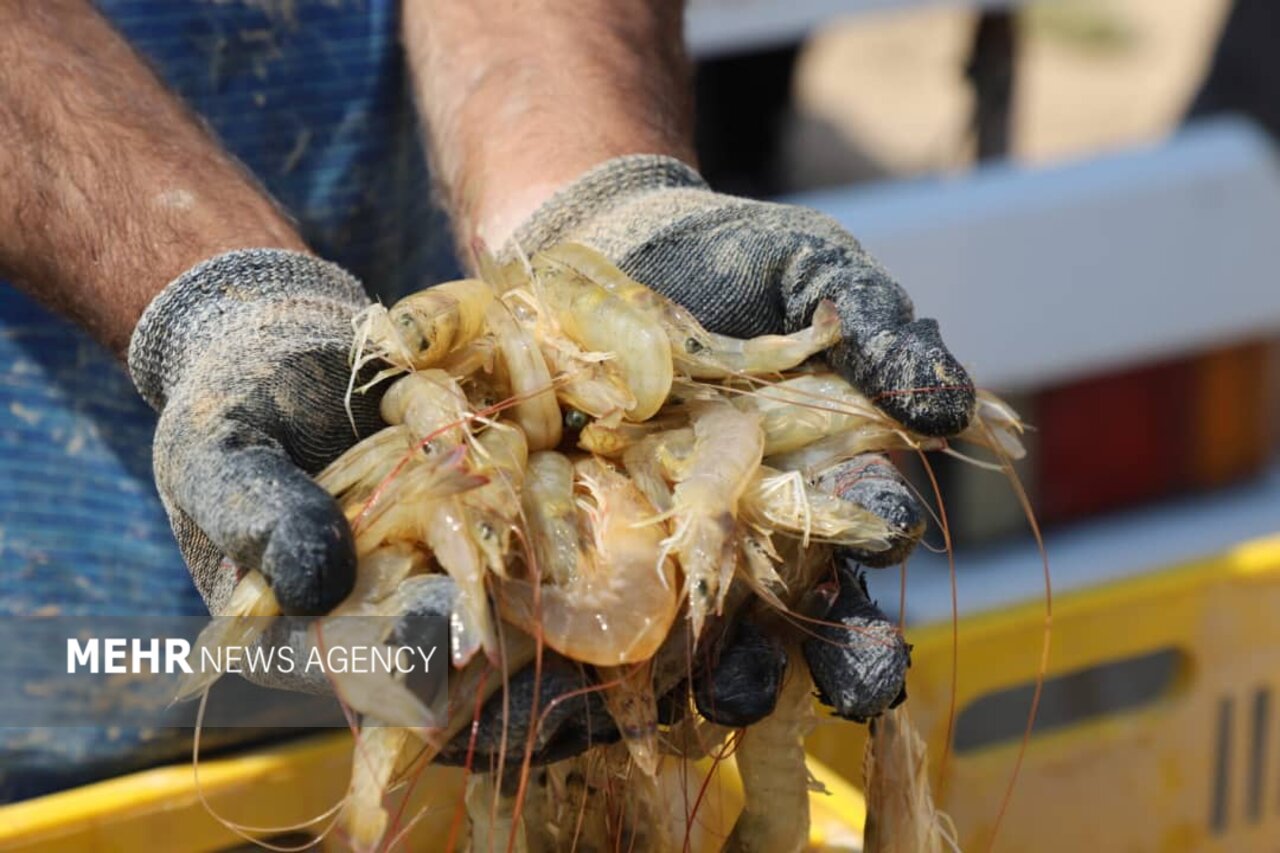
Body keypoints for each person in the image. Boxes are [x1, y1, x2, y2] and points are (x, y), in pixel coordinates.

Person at [0, 0, 972, 800]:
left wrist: (595, 200)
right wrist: (217, 301)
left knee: (501, 748)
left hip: (452, 665)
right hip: (40, 641)